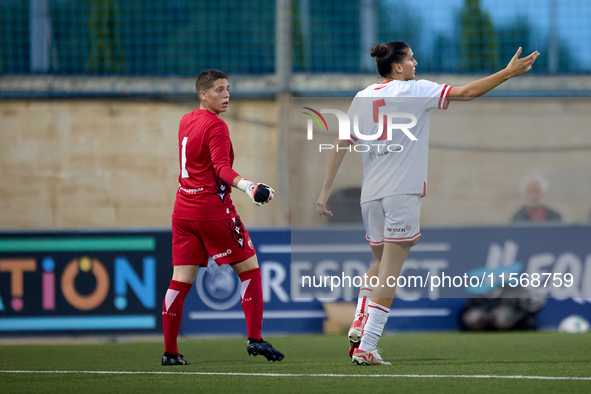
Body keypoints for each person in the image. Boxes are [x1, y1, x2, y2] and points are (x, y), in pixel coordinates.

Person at [316, 42, 539, 365]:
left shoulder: (361, 97)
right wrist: (508, 72)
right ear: (397, 67)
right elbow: (467, 92)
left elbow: (341, 143)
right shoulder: (416, 90)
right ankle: (368, 343)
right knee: (391, 272)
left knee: (378, 264)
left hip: (371, 197)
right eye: (410, 58)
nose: (415, 62)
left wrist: (324, 191)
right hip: (401, 193)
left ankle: (359, 322)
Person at [161, 69, 284, 365]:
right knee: (250, 269)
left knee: (180, 280)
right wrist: (250, 186)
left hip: (183, 211)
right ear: (202, 94)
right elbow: (221, 169)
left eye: (228, 89)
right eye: (218, 90)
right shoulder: (216, 126)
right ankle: (255, 338)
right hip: (212, 211)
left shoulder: (186, 120)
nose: (226, 95)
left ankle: (170, 352)